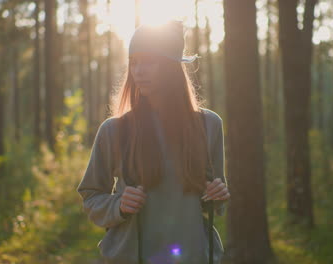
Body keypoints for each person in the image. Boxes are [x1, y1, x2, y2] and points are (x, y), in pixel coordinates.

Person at [76, 20, 230, 264]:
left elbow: (213, 199)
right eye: (134, 63)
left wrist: (217, 194)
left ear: (171, 67)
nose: (138, 71)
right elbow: (91, 196)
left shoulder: (209, 125)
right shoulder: (114, 130)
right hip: (134, 257)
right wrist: (119, 205)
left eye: (149, 62)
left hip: (193, 256)